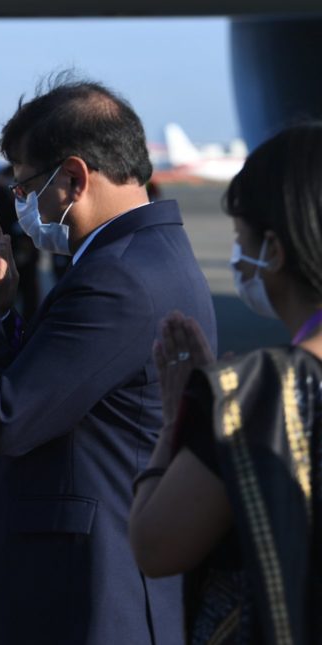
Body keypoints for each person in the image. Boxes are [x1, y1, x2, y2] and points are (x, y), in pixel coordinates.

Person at [0, 78, 216, 644]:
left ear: (72, 179)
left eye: (23, 187)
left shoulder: (116, 278)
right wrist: (1, 318)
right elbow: (66, 385)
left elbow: (7, 417)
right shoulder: (144, 256)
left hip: (91, 601)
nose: (19, 205)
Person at [130, 123, 322, 644]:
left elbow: (154, 545)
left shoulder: (257, 396)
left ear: (275, 252)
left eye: (242, 241)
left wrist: (178, 421)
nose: (238, 259)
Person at [0, 164, 40, 320]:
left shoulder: (20, 195)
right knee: (9, 293)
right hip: (8, 252)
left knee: (28, 291)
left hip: (23, 252)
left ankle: (28, 322)